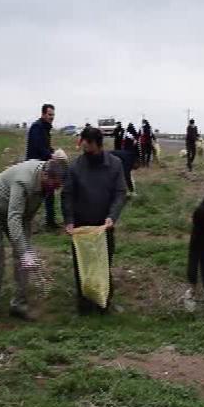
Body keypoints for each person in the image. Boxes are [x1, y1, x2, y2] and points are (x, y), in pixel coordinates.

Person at [0, 151, 69, 326]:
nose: (56, 189)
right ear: (44, 175)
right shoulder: (24, 181)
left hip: (20, 215)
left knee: (24, 260)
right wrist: (23, 249)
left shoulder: (46, 180)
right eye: (54, 184)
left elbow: (23, 216)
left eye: (59, 185)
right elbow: (14, 217)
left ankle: (19, 304)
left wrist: (25, 251)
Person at [62, 127, 128, 314]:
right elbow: (67, 194)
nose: (86, 151)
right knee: (81, 264)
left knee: (103, 262)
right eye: (83, 146)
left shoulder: (114, 164)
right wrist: (69, 220)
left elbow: (120, 192)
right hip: (81, 226)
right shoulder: (75, 167)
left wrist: (112, 216)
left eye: (89, 147)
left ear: (98, 145)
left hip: (104, 226)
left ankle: (104, 301)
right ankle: (83, 303)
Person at [26, 103, 59, 230]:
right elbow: (38, 147)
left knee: (49, 192)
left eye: (53, 115)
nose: (52, 117)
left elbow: (45, 146)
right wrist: (51, 155)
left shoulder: (45, 128)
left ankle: (50, 222)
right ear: (43, 114)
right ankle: (25, 221)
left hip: (44, 165)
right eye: (50, 114)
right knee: (34, 195)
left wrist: (53, 152)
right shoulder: (37, 127)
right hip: (34, 166)